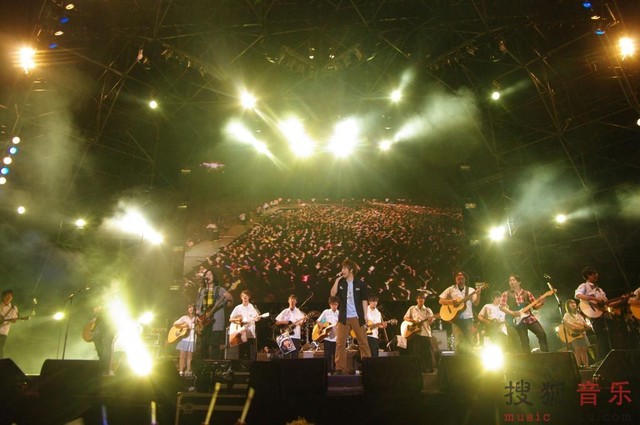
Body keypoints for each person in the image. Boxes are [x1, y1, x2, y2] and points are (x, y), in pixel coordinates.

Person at [330, 258, 371, 375]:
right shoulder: (341, 283)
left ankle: (368, 366)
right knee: (340, 343)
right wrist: (337, 280)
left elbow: (364, 300)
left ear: (351, 270)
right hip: (344, 317)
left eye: (344, 268)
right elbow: (332, 294)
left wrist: (365, 315)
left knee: (363, 342)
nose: (342, 270)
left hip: (357, 317)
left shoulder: (360, 283)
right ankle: (339, 368)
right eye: (342, 268)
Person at [500, 274, 549, 353]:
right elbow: (502, 306)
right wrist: (512, 313)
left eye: (513, 280)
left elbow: (535, 306)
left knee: (542, 333)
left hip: (530, 318)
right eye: (510, 280)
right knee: (524, 341)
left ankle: (545, 354)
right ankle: (527, 358)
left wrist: (542, 303)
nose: (511, 282)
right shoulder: (506, 293)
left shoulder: (527, 293)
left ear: (519, 282)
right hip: (518, 320)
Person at [439, 271, 482, 353]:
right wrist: (451, 302)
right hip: (456, 319)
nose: (460, 280)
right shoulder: (451, 289)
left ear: (465, 279)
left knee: (469, 341)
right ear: (455, 280)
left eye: (462, 278)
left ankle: (468, 359)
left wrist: (479, 294)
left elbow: (476, 303)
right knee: (458, 342)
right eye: (458, 278)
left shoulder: (471, 290)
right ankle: (458, 359)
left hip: (468, 319)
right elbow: (440, 301)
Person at [575, 266, 610, 363]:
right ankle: (601, 360)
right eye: (594, 273)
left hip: (603, 314)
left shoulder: (599, 289)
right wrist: (595, 299)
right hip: (593, 314)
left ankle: (608, 357)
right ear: (588, 275)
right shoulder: (584, 286)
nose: (597, 275)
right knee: (600, 336)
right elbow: (578, 295)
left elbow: (606, 301)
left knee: (606, 336)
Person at [196, 269, 233, 359]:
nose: (208, 276)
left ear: (214, 277)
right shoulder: (202, 290)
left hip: (216, 322)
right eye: (206, 274)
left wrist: (230, 298)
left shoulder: (220, 290)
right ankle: (204, 365)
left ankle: (214, 365)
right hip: (203, 322)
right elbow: (198, 307)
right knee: (203, 346)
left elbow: (229, 304)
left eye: (210, 274)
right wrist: (198, 317)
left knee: (214, 345)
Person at [404, 293, 436, 373]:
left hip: (425, 333)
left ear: (424, 300)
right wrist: (413, 321)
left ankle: (430, 368)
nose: (421, 300)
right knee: (417, 352)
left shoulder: (428, 310)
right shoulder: (412, 308)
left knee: (428, 352)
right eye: (419, 298)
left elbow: (431, 322)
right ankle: (418, 369)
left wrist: (431, 320)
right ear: (417, 300)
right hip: (415, 333)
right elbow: (405, 317)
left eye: (422, 298)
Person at [229, 290, 262, 361]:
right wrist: (239, 321)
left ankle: (252, 366)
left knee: (252, 354)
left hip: (250, 334)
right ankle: (241, 365)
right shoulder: (238, 308)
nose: (245, 298)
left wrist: (258, 318)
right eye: (243, 296)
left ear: (249, 297)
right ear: (241, 297)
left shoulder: (252, 307)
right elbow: (230, 319)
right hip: (241, 334)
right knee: (241, 352)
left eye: (246, 296)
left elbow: (257, 318)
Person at [562, 299, 592, 368]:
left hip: (582, 334)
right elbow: (564, 322)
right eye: (571, 303)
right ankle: (578, 366)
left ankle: (586, 365)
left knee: (584, 350)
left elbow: (585, 324)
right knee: (577, 350)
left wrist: (590, 327)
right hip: (574, 335)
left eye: (574, 303)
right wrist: (573, 327)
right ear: (568, 306)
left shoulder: (579, 315)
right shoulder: (567, 314)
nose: (573, 304)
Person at [275, 294, 306, 358]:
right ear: (288, 301)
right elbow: (277, 322)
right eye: (291, 300)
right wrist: (285, 322)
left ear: (296, 302)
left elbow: (301, 324)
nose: (292, 301)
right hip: (286, 336)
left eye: (294, 300)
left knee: (295, 356)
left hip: (296, 336)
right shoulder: (285, 311)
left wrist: (303, 321)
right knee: (286, 357)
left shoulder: (299, 312)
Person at [316, 296, 340, 374]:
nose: (334, 306)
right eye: (333, 304)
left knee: (336, 355)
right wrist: (324, 325)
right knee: (327, 355)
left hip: (336, 338)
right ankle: (327, 370)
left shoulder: (339, 313)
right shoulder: (326, 312)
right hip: (327, 337)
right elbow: (319, 321)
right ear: (330, 304)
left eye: (336, 304)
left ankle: (335, 370)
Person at [173, 304, 197, 376]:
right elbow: (175, 324)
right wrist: (184, 326)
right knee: (182, 355)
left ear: (194, 309)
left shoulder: (195, 318)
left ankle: (188, 370)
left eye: (192, 308)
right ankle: (181, 370)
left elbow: (200, 325)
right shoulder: (184, 318)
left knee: (189, 356)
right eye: (189, 308)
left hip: (191, 339)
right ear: (188, 309)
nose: (190, 309)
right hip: (184, 339)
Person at [0, 289, 18, 358]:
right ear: (3, 297)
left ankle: (1, 362)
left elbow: (15, 320)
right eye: (7, 296)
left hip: (3, 332)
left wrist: (13, 320)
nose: (9, 298)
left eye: (10, 296)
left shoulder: (14, 308)